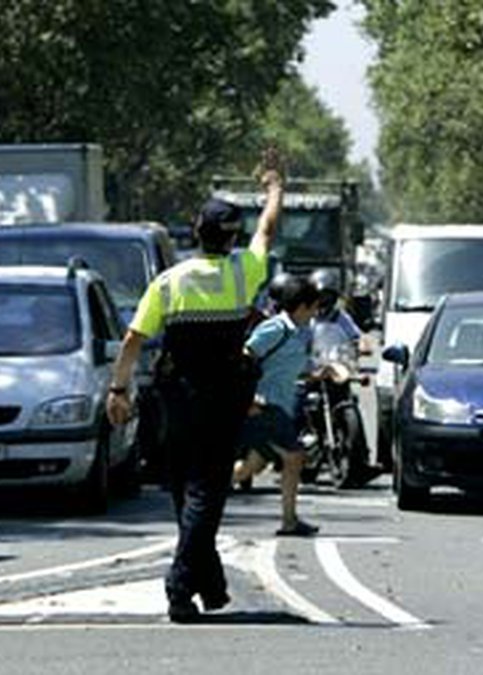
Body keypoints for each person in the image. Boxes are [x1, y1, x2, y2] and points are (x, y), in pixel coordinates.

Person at [106, 158, 283, 623]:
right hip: (223, 400)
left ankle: (211, 584)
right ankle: (181, 585)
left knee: (185, 490)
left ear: (196, 232)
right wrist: (274, 187)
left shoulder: (169, 282)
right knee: (205, 493)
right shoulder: (243, 272)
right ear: (231, 238)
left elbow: (133, 339)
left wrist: (118, 390)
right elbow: (267, 230)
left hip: (176, 400)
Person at [232, 275, 323, 536]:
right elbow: (245, 356)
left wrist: (321, 372)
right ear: (302, 307)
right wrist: (248, 397)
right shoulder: (275, 328)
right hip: (263, 405)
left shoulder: (298, 332)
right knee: (294, 457)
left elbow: (292, 368)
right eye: (313, 307)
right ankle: (289, 520)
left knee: (252, 466)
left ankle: (199, 493)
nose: (315, 313)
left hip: (280, 406)